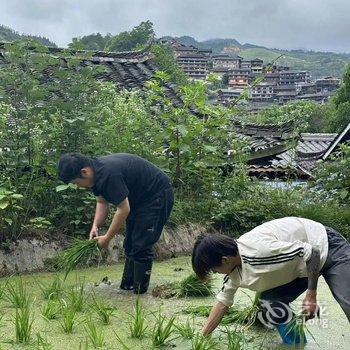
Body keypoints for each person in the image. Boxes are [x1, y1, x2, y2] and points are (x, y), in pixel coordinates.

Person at [191, 217, 350, 338]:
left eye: (214, 269)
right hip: (300, 266)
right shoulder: (232, 269)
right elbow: (222, 303)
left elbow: (313, 252)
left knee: (347, 300)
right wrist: (202, 337)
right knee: (270, 303)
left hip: (326, 246)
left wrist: (311, 295)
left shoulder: (260, 251)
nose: (216, 273)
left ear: (225, 259)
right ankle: (296, 342)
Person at [58, 153, 174, 294]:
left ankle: (139, 294)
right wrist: (95, 226)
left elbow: (123, 209)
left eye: (76, 182)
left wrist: (107, 238)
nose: (78, 186)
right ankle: (127, 287)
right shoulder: (95, 175)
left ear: (84, 172)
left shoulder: (108, 174)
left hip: (157, 195)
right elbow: (101, 202)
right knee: (130, 244)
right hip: (138, 200)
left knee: (141, 244)